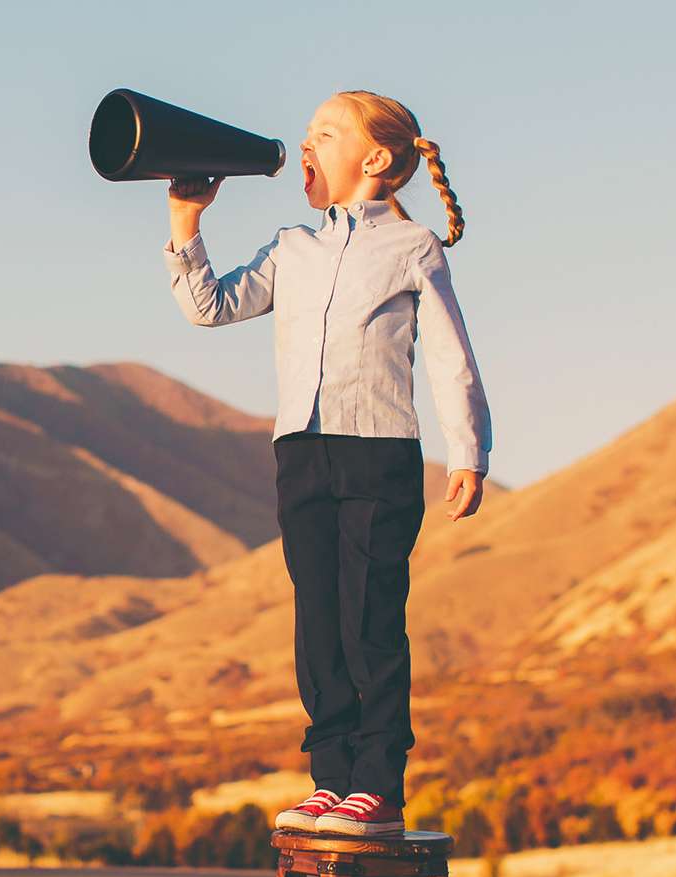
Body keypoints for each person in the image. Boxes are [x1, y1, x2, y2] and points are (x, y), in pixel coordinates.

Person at [161, 90, 493, 836]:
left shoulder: (413, 249)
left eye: (326, 133)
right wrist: (187, 220)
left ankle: (377, 785)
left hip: (379, 453)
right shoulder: (291, 248)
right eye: (307, 132)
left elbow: (449, 355)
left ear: (375, 160)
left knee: (369, 620)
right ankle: (331, 778)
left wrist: (467, 451)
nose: (305, 144)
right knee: (317, 624)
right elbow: (209, 306)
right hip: (300, 453)